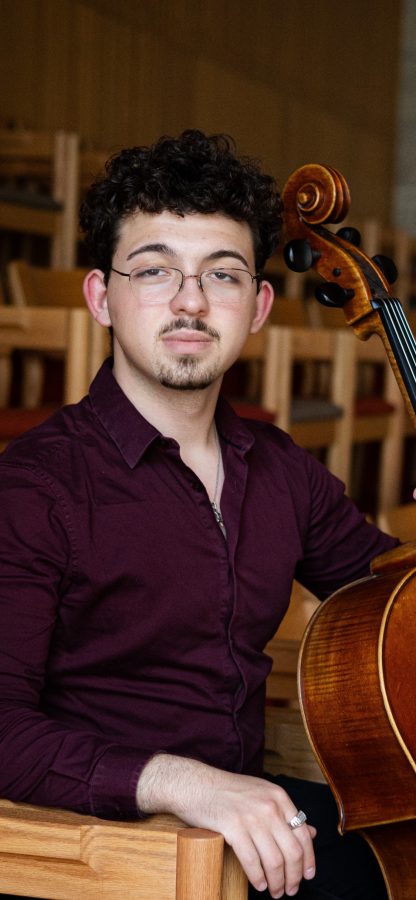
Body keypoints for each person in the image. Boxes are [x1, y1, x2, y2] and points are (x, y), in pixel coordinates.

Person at [0, 131, 396, 900]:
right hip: (87, 846)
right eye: (154, 271)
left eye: (222, 274)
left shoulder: (282, 470)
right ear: (99, 298)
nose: (189, 300)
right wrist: (185, 784)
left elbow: (389, 603)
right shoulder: (35, 487)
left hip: (243, 831)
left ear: (258, 307)